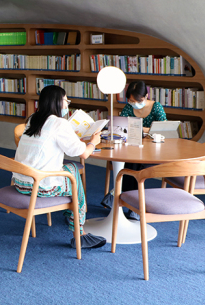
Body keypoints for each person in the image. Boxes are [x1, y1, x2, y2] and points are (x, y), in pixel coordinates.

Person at [13, 85, 106, 249]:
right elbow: (83, 153)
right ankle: (79, 231)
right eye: (66, 100)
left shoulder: (33, 119)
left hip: (20, 183)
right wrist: (93, 142)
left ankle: (72, 214)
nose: (67, 104)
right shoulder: (59, 123)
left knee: (68, 169)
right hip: (39, 186)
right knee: (73, 171)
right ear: (57, 102)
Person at [101, 80, 168, 218]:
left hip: (153, 150)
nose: (134, 103)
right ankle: (135, 207)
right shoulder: (129, 107)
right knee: (132, 159)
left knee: (134, 162)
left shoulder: (156, 107)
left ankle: (116, 194)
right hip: (132, 145)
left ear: (146, 96)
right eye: (131, 100)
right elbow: (121, 126)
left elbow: (163, 129)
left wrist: (141, 128)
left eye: (138, 100)